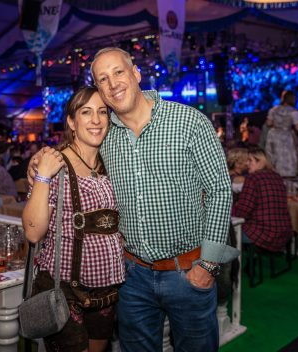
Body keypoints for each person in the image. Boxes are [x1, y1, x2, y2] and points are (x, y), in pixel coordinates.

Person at [29, 47, 238, 352]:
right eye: (102, 79)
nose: (112, 83)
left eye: (118, 72)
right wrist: (37, 160)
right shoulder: (105, 135)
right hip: (131, 279)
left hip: (188, 271)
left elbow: (220, 191)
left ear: (136, 73)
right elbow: (72, 153)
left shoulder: (189, 122)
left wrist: (207, 265)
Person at [22, 87, 124, 352]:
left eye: (103, 112)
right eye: (86, 112)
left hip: (108, 288)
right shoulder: (54, 163)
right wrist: (42, 174)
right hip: (63, 287)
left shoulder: (112, 160)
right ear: (71, 121)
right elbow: (33, 233)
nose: (96, 120)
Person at [232, 147, 292, 252]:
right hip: (283, 231)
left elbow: (243, 211)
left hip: (263, 233)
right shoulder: (277, 176)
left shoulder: (253, 179)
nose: (247, 164)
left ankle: (230, 267)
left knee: (226, 232)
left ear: (260, 162)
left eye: (250, 160)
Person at [265, 90, 298, 178]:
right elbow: (297, 128)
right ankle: (287, 177)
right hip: (286, 136)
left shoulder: (273, 109)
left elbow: (268, 123)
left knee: (274, 156)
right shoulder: (294, 112)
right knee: (286, 157)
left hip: (273, 135)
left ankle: (274, 174)